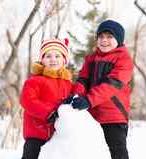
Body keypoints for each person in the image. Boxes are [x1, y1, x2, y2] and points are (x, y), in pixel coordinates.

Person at [71, 19, 134, 159]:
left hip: (114, 116)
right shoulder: (91, 58)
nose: (104, 40)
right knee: (91, 152)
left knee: (117, 152)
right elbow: (82, 80)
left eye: (109, 37)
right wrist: (77, 97)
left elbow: (111, 85)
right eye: (101, 36)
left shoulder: (124, 59)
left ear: (119, 39)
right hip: (91, 115)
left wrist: (88, 99)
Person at [20, 38, 73, 159]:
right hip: (36, 134)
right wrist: (48, 112)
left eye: (57, 56)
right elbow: (27, 100)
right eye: (48, 56)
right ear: (42, 60)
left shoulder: (68, 84)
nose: (53, 59)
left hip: (58, 135)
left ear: (64, 60)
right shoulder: (35, 81)